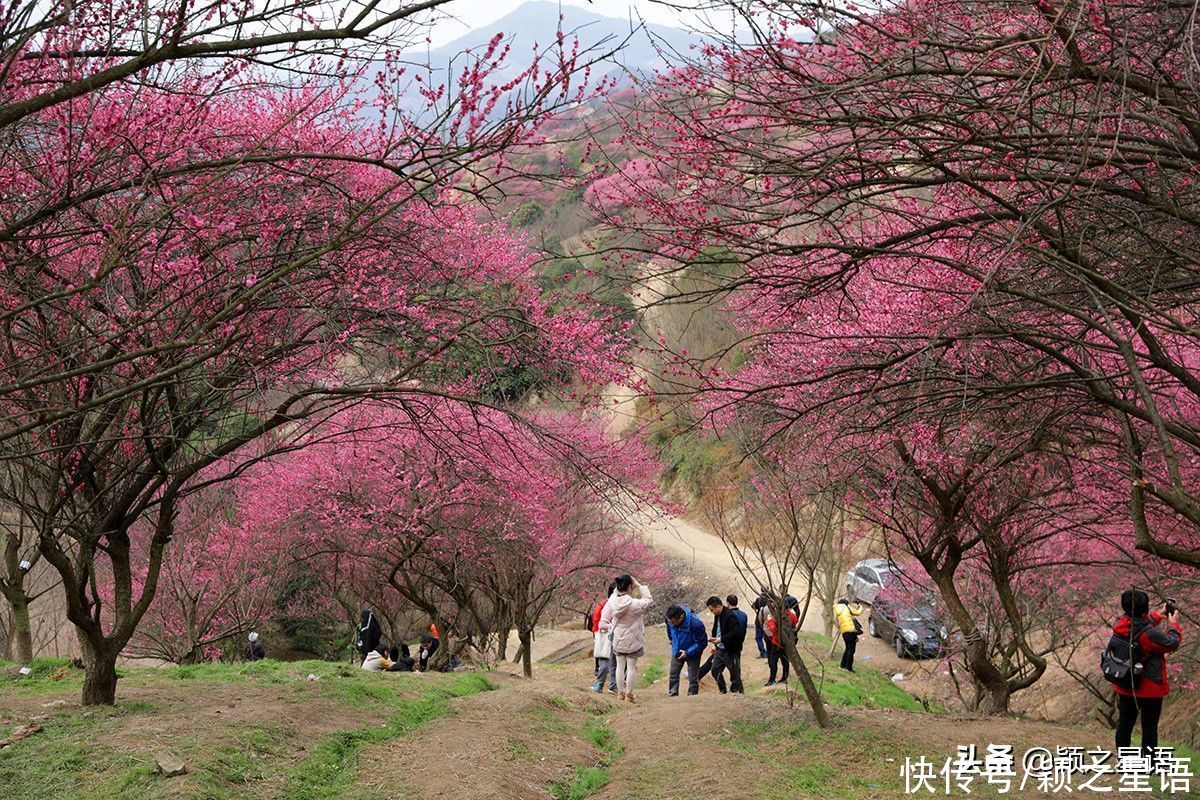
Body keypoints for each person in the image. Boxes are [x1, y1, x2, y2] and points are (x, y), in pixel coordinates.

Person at [1111, 589, 1183, 763]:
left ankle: (1123, 760)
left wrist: (1160, 615)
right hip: (1149, 688)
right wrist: (1173, 624)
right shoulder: (1148, 634)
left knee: (1125, 723)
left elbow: (1140, 624)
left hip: (1125, 684)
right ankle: (1150, 764)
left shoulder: (1121, 623)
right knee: (1149, 727)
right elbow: (1172, 643)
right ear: (1144, 610)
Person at [599, 574, 653, 703]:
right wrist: (640, 586)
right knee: (631, 667)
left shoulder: (612, 601)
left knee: (619, 666)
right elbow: (649, 600)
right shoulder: (635, 605)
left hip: (618, 639)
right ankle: (629, 694)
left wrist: (621, 585)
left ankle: (620, 693)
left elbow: (615, 593)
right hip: (633, 640)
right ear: (630, 586)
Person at [705, 595, 746, 694]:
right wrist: (714, 640)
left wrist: (721, 639)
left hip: (731, 650)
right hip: (719, 649)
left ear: (718, 606)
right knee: (715, 670)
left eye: (712, 610)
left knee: (735, 674)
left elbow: (736, 632)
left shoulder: (730, 616)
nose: (712, 612)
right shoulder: (717, 615)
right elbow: (716, 628)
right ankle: (723, 690)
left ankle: (740, 693)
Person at [665, 605, 707, 697]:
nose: (671, 623)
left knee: (693, 678)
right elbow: (669, 630)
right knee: (673, 674)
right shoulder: (669, 620)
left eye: (674, 622)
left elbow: (702, 643)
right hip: (677, 650)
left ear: (681, 616)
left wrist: (687, 652)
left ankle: (692, 698)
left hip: (693, 652)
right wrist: (672, 640)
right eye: (670, 621)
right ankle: (672, 694)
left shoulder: (695, 624)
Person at [590, 581, 618, 694]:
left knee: (617, 664)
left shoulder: (622, 604)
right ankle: (599, 684)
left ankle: (614, 686)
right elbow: (597, 625)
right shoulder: (603, 606)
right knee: (605, 663)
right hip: (605, 638)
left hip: (618, 638)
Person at [764, 603, 798, 686]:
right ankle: (784, 678)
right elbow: (794, 624)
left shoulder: (776, 616)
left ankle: (772, 679)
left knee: (773, 661)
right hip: (787, 643)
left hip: (777, 642)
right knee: (785, 661)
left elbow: (773, 629)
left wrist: (769, 620)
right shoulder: (792, 615)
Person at [833, 597, 864, 672]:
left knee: (847, 649)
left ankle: (842, 665)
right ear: (846, 604)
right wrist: (860, 606)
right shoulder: (846, 607)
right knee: (851, 650)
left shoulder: (838, 609)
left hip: (844, 632)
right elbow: (858, 613)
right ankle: (848, 667)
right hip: (850, 631)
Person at [726, 594, 748, 692]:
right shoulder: (744, 615)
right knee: (735, 664)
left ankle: (737, 686)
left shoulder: (726, 615)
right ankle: (736, 686)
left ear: (727, 603)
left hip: (728, 644)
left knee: (731, 665)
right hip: (739, 643)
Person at [751, 591, 770, 659]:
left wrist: (757, 610)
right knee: (769, 638)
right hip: (768, 622)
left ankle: (763, 653)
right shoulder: (771, 600)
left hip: (759, 621)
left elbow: (752, 606)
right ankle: (769, 653)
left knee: (758, 638)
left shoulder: (758, 599)